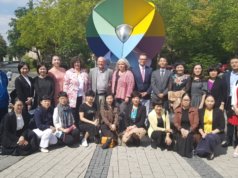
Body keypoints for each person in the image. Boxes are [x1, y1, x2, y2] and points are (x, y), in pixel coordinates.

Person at [195, 95, 225, 160]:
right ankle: (201, 150)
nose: (210, 103)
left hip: (216, 133)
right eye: (208, 101)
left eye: (212, 101)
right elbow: (199, 125)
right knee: (201, 152)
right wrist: (203, 133)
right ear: (205, 101)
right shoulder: (200, 111)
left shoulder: (219, 111)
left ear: (214, 102)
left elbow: (222, 126)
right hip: (203, 132)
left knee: (209, 137)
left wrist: (210, 133)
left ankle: (210, 152)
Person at [63, 56, 89, 123]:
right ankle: (75, 129)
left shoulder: (84, 73)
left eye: (78, 62)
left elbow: (88, 85)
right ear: (73, 63)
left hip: (82, 97)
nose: (77, 64)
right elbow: (65, 84)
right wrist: (65, 96)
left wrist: (88, 96)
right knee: (73, 113)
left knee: (81, 112)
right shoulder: (68, 72)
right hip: (72, 97)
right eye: (75, 62)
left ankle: (81, 128)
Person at [173, 93, 199, 158]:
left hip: (190, 130)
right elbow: (175, 122)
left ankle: (186, 152)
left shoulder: (194, 110)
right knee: (182, 137)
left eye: (188, 100)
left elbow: (196, 123)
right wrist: (181, 129)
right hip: (180, 130)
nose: (186, 101)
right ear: (181, 101)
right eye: (184, 100)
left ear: (190, 101)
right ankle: (186, 151)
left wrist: (188, 130)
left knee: (187, 137)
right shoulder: (177, 110)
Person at [222, 56, 238, 147]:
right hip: (229, 100)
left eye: (236, 62)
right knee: (230, 121)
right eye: (232, 63)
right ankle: (229, 140)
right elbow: (224, 89)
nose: (234, 64)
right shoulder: (226, 75)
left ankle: (237, 141)